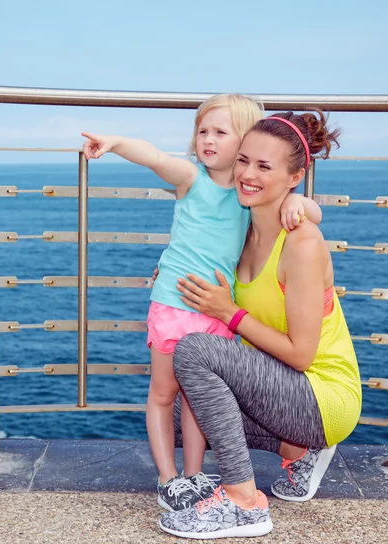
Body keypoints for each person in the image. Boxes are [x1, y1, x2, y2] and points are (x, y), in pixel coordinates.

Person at [81, 95, 322, 512]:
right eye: (203, 130)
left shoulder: (250, 196)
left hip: (215, 312)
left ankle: (193, 475)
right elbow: (154, 157)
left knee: (196, 400)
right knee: (162, 395)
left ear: (244, 141)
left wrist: (301, 203)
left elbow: (310, 211)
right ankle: (167, 478)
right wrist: (116, 141)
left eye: (221, 132)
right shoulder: (192, 177)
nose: (208, 139)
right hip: (175, 305)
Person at [158, 110, 362, 539]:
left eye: (265, 166)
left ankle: (243, 502)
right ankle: (296, 449)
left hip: (321, 395)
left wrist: (228, 313)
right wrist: (171, 275)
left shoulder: (302, 243)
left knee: (193, 351)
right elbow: (200, 247)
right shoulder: (243, 229)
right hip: (282, 387)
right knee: (179, 414)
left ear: (295, 177)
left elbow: (302, 355)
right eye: (243, 160)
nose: (248, 175)